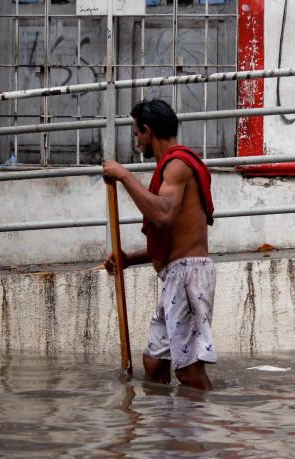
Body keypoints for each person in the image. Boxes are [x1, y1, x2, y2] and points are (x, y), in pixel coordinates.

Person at [103, 99, 216, 390]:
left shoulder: (177, 164)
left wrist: (124, 175)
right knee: (154, 366)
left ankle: (203, 431)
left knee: (190, 373)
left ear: (148, 130)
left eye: (137, 134)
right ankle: (169, 432)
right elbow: (171, 241)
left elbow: (164, 214)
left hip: (188, 276)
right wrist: (128, 259)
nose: (137, 142)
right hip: (176, 274)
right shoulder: (170, 167)